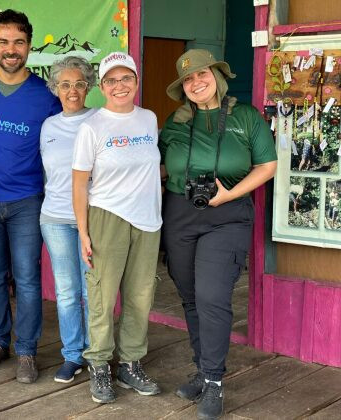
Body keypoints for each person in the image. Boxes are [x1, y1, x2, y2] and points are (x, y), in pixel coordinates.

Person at [159, 49, 277, 419]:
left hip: (227, 212)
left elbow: (268, 165)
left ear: (218, 76)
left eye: (201, 74)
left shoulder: (245, 117)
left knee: (212, 296)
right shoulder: (176, 121)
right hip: (180, 212)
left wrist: (230, 193)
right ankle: (202, 367)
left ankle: (214, 380)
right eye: (188, 79)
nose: (196, 82)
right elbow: (159, 167)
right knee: (191, 297)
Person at [0, 9, 62, 384]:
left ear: (29, 46)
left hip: (27, 201)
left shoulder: (45, 95)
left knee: (28, 278)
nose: (11, 49)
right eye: (3, 42)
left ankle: (27, 351)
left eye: (18, 42)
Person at [72, 52, 163, 404]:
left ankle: (130, 363)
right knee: (103, 295)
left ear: (137, 82)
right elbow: (79, 184)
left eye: (126, 78)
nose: (119, 86)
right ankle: (98, 364)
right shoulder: (92, 127)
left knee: (141, 297)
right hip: (107, 216)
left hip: (148, 220)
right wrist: (83, 231)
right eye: (112, 80)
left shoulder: (148, 119)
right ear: (102, 87)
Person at [40, 56, 97, 383]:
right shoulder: (49, 126)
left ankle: (96, 354)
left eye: (78, 83)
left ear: (88, 86)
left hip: (92, 218)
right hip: (55, 218)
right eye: (65, 84)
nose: (72, 90)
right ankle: (72, 355)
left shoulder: (100, 120)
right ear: (55, 88)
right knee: (65, 291)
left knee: (92, 291)